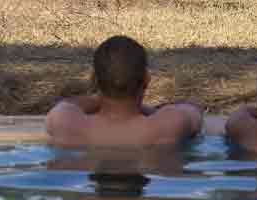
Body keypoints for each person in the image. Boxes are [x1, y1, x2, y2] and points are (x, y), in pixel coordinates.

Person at [46, 35, 203, 147]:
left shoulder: (67, 123)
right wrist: (149, 110)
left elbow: (63, 105)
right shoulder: (168, 124)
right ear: (146, 79)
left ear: (94, 79)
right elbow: (193, 108)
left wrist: (97, 99)